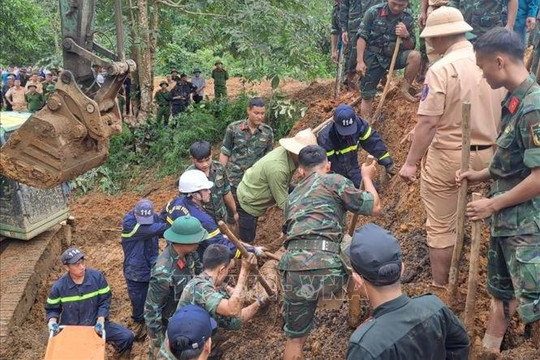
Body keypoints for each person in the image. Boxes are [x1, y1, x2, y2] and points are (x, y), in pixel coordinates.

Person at [399, 7, 504, 287]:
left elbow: (429, 123)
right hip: (491, 156)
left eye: (431, 39)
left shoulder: (441, 69)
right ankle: (490, 280)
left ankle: (443, 287)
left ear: (441, 37)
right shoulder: (492, 62)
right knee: (488, 215)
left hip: (449, 158)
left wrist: (410, 163)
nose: (430, 44)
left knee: (441, 227)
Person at [457, 27, 540, 352]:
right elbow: (512, 160)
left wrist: (493, 205)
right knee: (501, 300)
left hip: (526, 229)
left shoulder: (533, 108)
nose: (482, 74)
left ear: (500, 61)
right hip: (506, 226)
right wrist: (480, 175)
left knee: (533, 306)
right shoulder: (514, 101)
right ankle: (488, 351)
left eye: (482, 67)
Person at [279, 145, 381, 360]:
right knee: (355, 249)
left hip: (293, 271)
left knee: (295, 338)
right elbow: (374, 208)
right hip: (327, 268)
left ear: (300, 171)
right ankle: (376, 309)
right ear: (328, 166)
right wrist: (367, 176)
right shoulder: (334, 180)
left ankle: (355, 316)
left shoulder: (292, 197)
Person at [346, 224, 470, 359]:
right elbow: (460, 345)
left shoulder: (365, 346)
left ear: (357, 280)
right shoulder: (435, 307)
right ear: (402, 269)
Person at [45, 248, 134, 359]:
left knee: (127, 337)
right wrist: (52, 322)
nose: (82, 267)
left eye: (82, 262)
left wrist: (101, 319)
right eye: (76, 265)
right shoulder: (59, 287)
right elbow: (52, 309)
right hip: (72, 329)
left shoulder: (97, 278)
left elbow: (105, 301)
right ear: (66, 267)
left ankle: (118, 356)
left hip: (95, 325)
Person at [236, 129, 317, 243]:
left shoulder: (290, 157)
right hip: (249, 200)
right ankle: (243, 254)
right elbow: (283, 203)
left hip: (267, 185)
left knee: (299, 190)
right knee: (247, 240)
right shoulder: (278, 169)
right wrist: (302, 218)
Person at [160, 170, 264, 258]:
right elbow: (221, 246)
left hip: (171, 254)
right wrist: (252, 251)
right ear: (194, 194)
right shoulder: (203, 220)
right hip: (192, 261)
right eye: (205, 189)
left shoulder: (174, 203)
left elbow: (162, 218)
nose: (209, 192)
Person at [144, 216, 206, 354]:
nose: (199, 243)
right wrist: (160, 345)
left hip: (187, 320)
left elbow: (199, 275)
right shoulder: (163, 272)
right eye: (196, 239)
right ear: (184, 241)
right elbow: (152, 311)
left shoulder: (191, 254)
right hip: (170, 328)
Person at [356, 0, 421, 119]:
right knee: (367, 95)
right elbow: (362, 37)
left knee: (415, 56)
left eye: (401, 5)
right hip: (373, 58)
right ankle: (366, 123)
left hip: (394, 57)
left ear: (406, 3)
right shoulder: (373, 12)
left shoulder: (407, 18)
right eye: (394, 4)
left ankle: (405, 89)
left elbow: (411, 46)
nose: (396, 8)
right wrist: (360, 61)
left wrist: (406, 35)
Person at [179, 244, 265, 330]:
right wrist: (244, 271)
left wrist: (259, 303)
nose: (228, 272)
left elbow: (235, 322)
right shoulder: (200, 287)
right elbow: (233, 310)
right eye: (228, 270)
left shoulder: (214, 289)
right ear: (222, 270)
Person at [121, 199, 168, 340]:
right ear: (135, 213)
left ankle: (155, 321)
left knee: (156, 295)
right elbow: (154, 229)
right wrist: (170, 223)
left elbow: (161, 231)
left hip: (152, 264)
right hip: (135, 270)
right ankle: (139, 321)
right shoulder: (129, 223)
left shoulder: (153, 217)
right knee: (138, 299)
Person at [317, 104, 395, 187]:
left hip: (353, 169)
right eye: (344, 131)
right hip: (335, 176)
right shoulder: (326, 138)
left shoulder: (360, 125)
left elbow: (373, 143)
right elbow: (326, 168)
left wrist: (387, 162)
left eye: (350, 129)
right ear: (335, 123)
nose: (347, 135)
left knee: (371, 191)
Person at [187, 141, 238, 225]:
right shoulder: (189, 176)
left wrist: (235, 211)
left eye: (207, 159)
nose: (205, 164)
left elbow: (226, 191)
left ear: (211, 154)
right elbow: (186, 203)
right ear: (192, 159)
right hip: (203, 222)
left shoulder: (219, 168)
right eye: (200, 161)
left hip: (221, 217)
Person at [340, 0, 384, 91]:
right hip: (355, 25)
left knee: (376, 52)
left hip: (376, 24)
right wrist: (344, 30)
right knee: (353, 54)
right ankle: (352, 84)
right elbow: (344, 7)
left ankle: (378, 81)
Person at [449, 0, 518, 39]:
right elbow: (454, 2)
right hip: (465, 31)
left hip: (490, 32)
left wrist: (510, 25)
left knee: (489, 61)